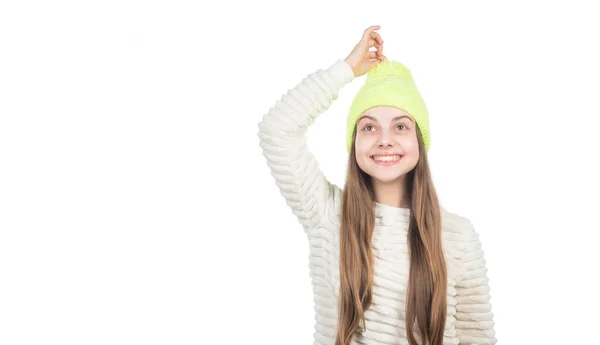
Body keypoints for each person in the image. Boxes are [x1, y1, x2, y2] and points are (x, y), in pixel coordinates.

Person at [257, 25, 497, 345]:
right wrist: (346, 70)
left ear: (419, 142)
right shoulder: (327, 216)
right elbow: (276, 130)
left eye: (400, 126)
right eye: (369, 127)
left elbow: (476, 337)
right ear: (354, 142)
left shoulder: (456, 235)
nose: (385, 140)